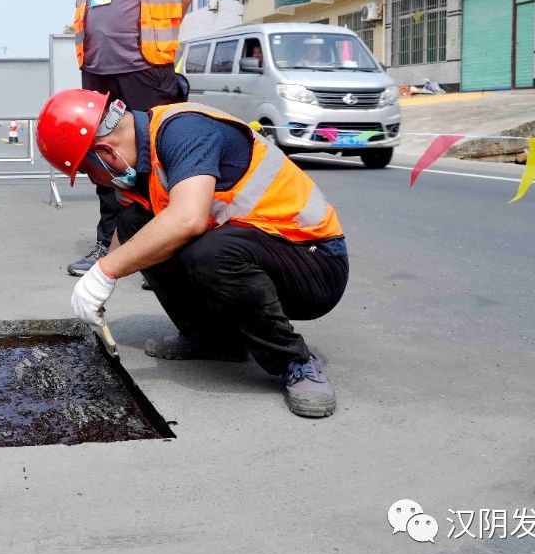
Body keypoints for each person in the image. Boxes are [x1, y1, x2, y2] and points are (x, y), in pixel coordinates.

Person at [35, 89, 349, 417]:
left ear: (105, 152)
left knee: (208, 251)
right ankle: (212, 341)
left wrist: (105, 272)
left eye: (88, 172)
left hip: (312, 259)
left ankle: (295, 361)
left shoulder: (184, 131)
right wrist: (100, 283)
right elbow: (134, 230)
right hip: (261, 248)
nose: (94, 180)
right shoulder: (146, 155)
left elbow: (188, 219)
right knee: (136, 224)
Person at [68, 0, 194, 277]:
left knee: (157, 159)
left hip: (146, 66)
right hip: (97, 67)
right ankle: (108, 246)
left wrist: (162, 41)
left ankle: (160, 252)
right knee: (104, 161)